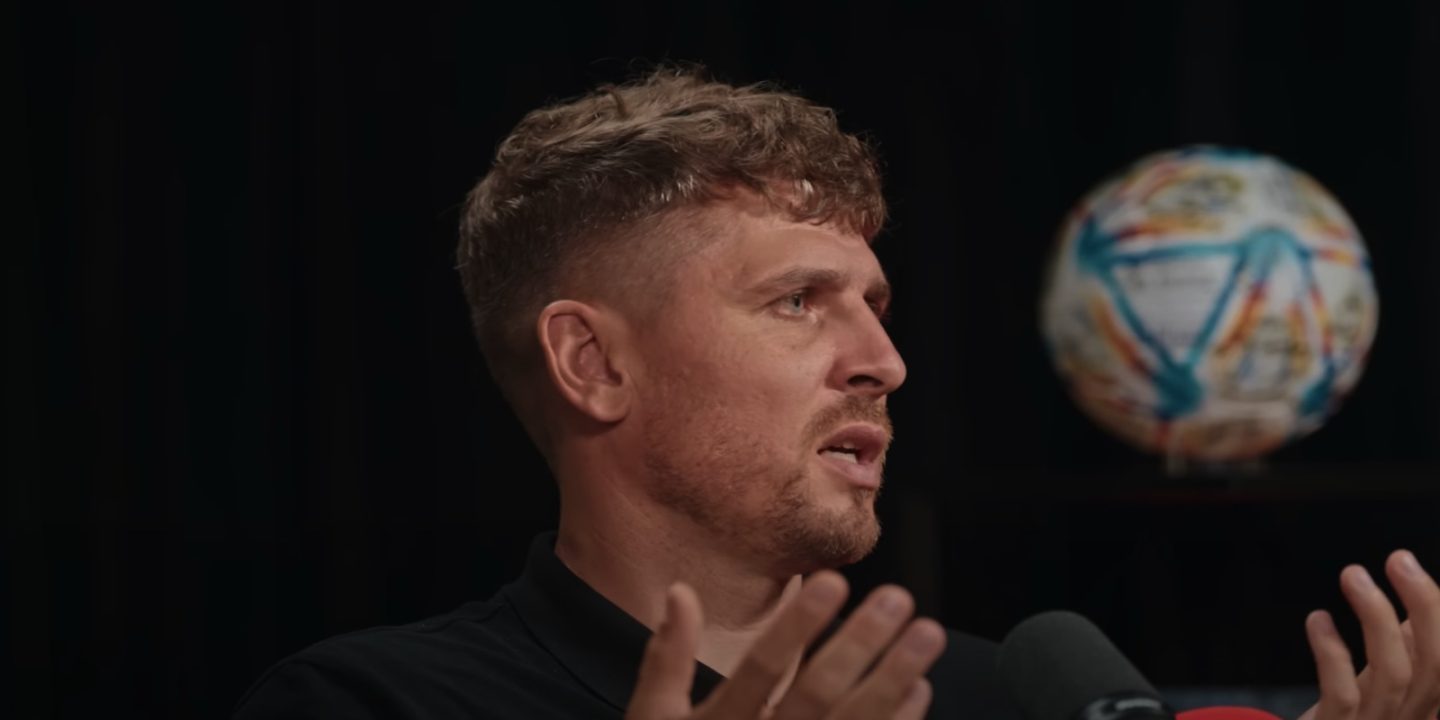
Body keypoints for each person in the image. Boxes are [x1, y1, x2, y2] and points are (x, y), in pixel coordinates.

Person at [234, 68, 1440, 720]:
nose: (884, 361)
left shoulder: (1002, 699)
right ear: (593, 364)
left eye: (878, 303)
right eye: (798, 302)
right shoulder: (367, 704)